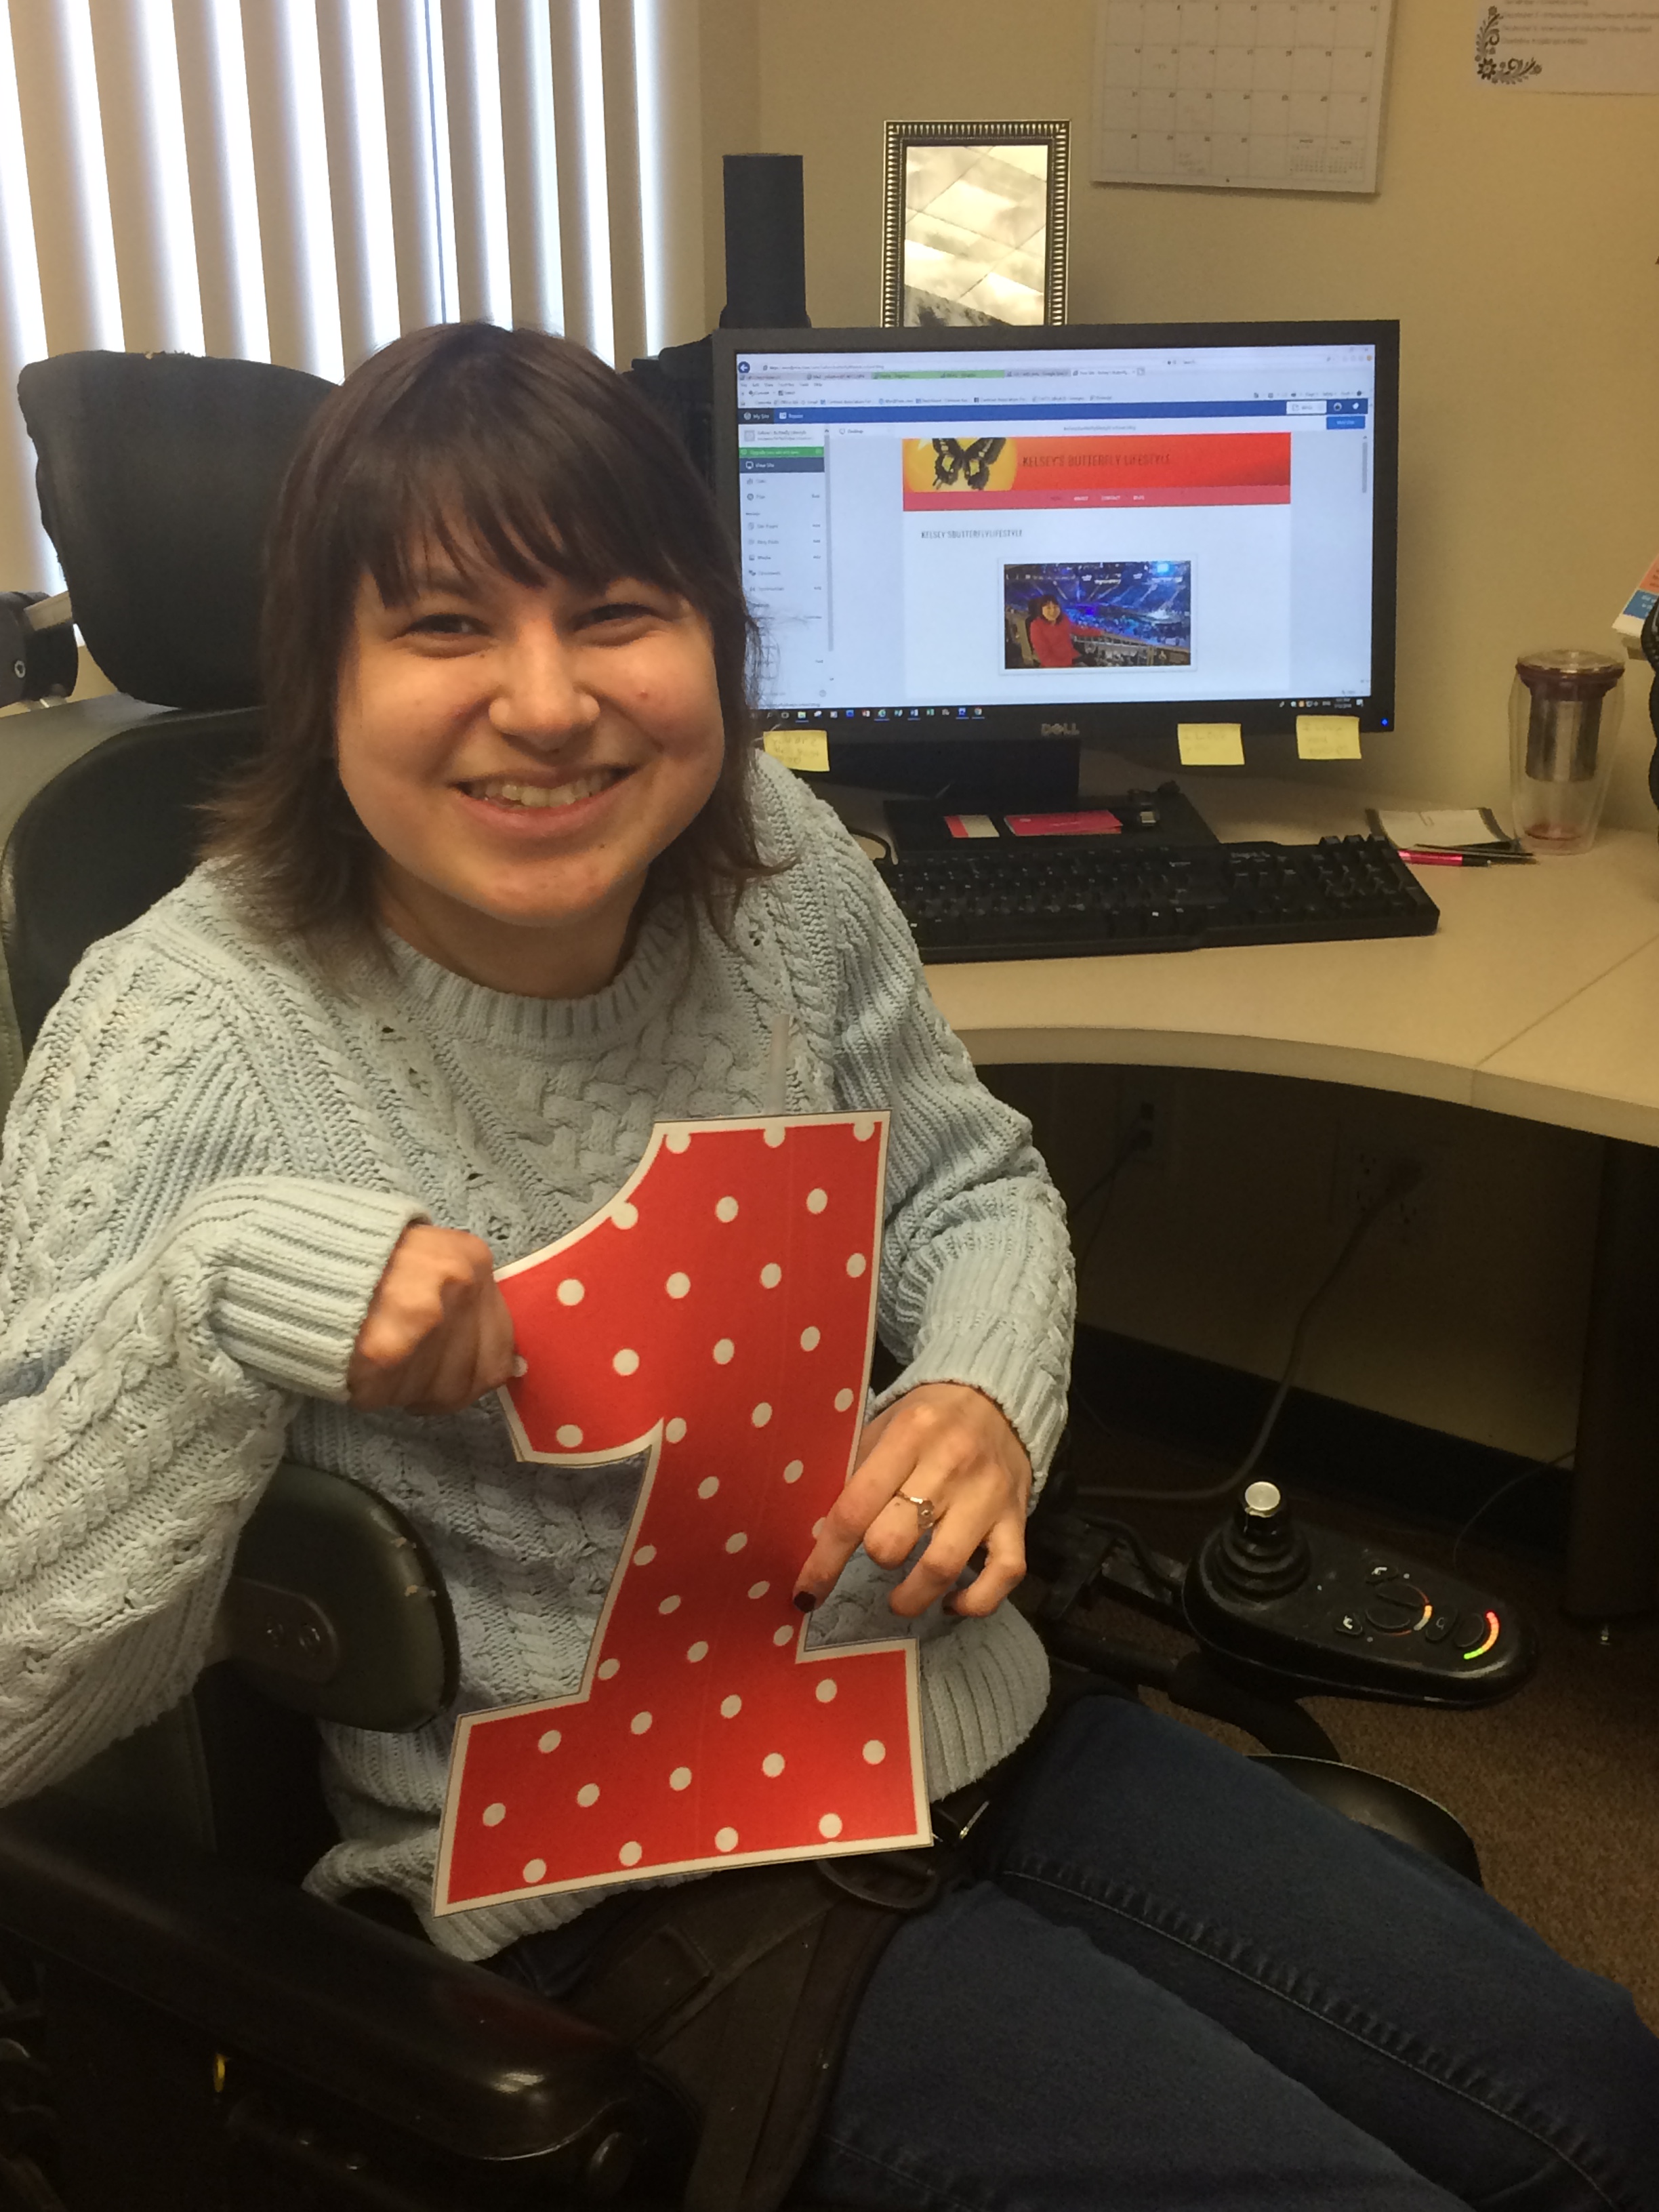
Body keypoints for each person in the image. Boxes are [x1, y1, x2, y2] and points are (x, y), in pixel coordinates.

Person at [0, 323, 1654, 2212]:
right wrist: (221, 1297)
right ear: (322, 680)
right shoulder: (185, 1029)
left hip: (953, 1713)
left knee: (1597, 2095)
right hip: (608, 1883)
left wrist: (977, 1395)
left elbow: (969, 1182)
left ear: (718, 638)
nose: (545, 704)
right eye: (445, 627)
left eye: (614, 615)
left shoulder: (776, 864)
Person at [1026, 591, 1103, 670]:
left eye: (1055, 607)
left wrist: (1099, 632)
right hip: (1055, 666)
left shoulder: (1063, 619)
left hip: (1072, 657)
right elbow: (1046, 659)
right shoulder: (1036, 626)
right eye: (1048, 608)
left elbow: (1076, 629)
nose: (1053, 611)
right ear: (1041, 610)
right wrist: (1071, 661)